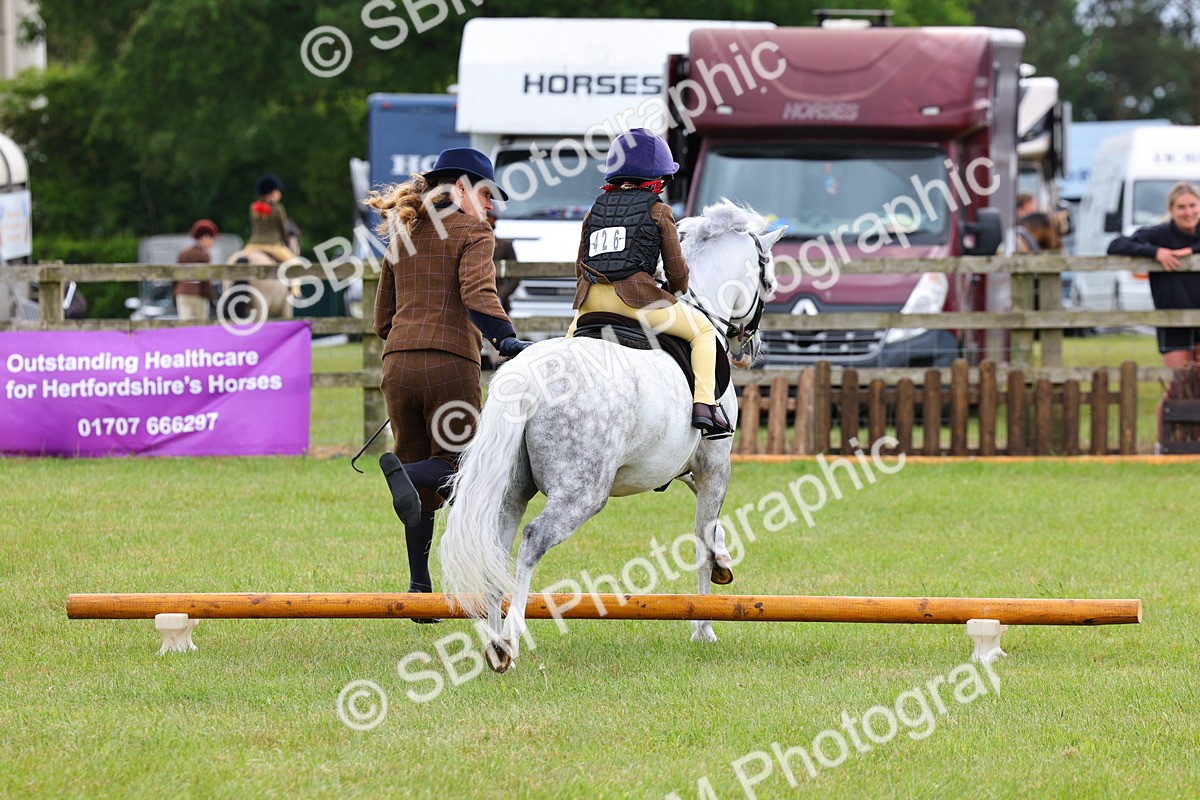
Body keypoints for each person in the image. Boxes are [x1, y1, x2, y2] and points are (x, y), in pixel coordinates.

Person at [366, 147, 531, 617]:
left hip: (397, 363)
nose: (491, 204)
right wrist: (506, 338)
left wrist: (407, 339)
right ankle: (407, 472)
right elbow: (477, 293)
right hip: (450, 365)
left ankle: (420, 592)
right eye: (485, 193)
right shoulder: (473, 230)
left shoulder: (404, 233)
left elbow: (383, 317)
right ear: (459, 189)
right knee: (463, 468)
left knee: (418, 475)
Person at [565, 127, 732, 439]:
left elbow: (580, 267)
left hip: (588, 303)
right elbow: (677, 274)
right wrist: (674, 289)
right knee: (704, 332)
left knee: (565, 351)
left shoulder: (593, 212)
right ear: (657, 177)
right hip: (636, 303)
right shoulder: (658, 210)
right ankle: (705, 406)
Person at [1107, 181, 1200, 367]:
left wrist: (1191, 250)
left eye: (1192, 205)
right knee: (1177, 386)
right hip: (1172, 319)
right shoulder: (1160, 234)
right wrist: (1156, 252)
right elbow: (1115, 245)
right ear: (1170, 209)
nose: (1188, 212)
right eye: (1181, 207)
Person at [245, 173, 296, 264]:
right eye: (277, 191)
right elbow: (282, 229)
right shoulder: (278, 209)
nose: (279, 194)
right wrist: (285, 239)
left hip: (253, 244)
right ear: (271, 193)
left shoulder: (253, 208)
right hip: (272, 245)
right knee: (296, 266)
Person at [174, 219, 219, 320]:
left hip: (182, 293)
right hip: (199, 294)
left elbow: (175, 275)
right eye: (211, 239)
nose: (212, 242)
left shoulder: (184, 253)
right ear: (204, 237)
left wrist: (174, 292)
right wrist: (212, 298)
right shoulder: (205, 255)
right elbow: (206, 279)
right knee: (201, 326)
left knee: (185, 324)